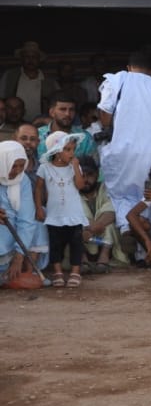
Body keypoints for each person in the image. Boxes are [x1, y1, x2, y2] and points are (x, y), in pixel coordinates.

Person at [97, 49, 151, 232]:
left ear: (129, 67)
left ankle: (127, 227)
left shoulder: (116, 80)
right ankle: (147, 235)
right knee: (149, 196)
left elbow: (105, 116)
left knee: (121, 195)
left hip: (125, 153)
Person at [35, 131, 88, 288]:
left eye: (73, 149)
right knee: (55, 243)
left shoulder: (74, 168)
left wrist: (76, 167)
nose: (72, 153)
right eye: (67, 150)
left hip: (74, 214)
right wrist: (39, 207)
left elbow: (80, 186)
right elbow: (38, 189)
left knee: (76, 243)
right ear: (56, 151)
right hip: (55, 214)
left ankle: (75, 272)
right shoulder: (45, 168)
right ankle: (57, 272)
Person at [0, 141, 39, 284]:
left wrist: (19, 256)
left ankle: (18, 269)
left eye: (21, 166)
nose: (17, 171)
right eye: (13, 166)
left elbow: (26, 219)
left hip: (11, 236)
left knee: (37, 225)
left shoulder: (23, 181)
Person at [77, 156, 121, 273]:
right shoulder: (72, 192)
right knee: (74, 227)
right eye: (82, 175)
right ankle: (82, 261)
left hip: (98, 235)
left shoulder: (106, 188)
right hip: (84, 237)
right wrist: (89, 227)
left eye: (90, 175)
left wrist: (92, 228)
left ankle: (104, 258)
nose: (85, 179)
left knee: (110, 225)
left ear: (97, 174)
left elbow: (111, 213)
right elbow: (76, 216)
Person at [2, 40, 57, 121]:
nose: (30, 60)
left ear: (39, 60)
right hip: (13, 124)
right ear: (22, 59)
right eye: (27, 57)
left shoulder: (50, 81)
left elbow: (58, 105)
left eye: (34, 57)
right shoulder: (10, 76)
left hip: (41, 125)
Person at [36, 91, 96, 160]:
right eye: (63, 109)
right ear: (52, 112)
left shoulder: (85, 138)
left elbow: (93, 167)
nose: (67, 114)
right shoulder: (37, 135)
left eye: (71, 110)